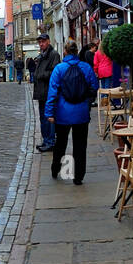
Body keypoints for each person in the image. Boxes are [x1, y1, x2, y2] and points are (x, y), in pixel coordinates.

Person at [45, 39, 98, 185]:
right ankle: (78, 177)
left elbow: (52, 93)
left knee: (60, 143)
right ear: (76, 51)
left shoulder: (59, 69)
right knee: (80, 146)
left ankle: (56, 168)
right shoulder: (86, 67)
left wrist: (49, 113)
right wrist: (87, 102)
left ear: (65, 52)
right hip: (81, 113)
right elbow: (94, 86)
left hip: (62, 113)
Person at [32, 34, 61, 152]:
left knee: (48, 117)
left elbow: (54, 73)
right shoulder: (42, 55)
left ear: (48, 41)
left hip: (48, 91)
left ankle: (50, 141)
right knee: (42, 118)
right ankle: (46, 140)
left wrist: (40, 75)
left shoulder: (53, 55)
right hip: (41, 92)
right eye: (39, 42)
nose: (41, 44)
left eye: (43, 42)